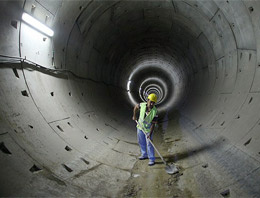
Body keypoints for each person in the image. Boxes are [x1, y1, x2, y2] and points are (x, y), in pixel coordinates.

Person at [132, 93, 158, 166]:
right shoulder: (142, 105)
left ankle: (152, 159)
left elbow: (153, 124)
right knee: (141, 142)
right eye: (151, 101)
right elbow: (136, 107)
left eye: (153, 102)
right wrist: (134, 116)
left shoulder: (155, 111)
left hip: (148, 130)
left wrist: (150, 134)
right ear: (148, 100)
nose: (152, 104)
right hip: (140, 127)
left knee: (149, 144)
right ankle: (144, 154)